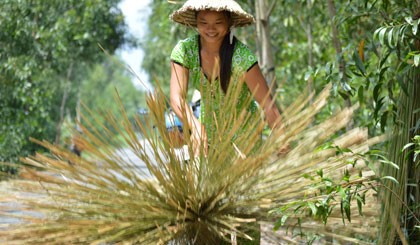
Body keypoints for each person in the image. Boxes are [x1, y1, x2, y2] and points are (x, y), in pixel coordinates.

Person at [169, 0, 285, 157]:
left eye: (218, 22)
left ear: (229, 22)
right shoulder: (185, 51)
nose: (210, 29)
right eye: (203, 22)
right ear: (196, 21)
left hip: (245, 137)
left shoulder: (242, 57)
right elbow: (177, 98)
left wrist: (283, 144)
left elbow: (269, 106)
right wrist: (196, 127)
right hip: (207, 134)